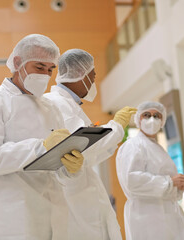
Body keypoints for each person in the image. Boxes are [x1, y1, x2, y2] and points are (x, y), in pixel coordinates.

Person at [0, 34, 119, 239]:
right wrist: (41, 147)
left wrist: (70, 167)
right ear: (17, 62)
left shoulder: (50, 107)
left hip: (53, 213)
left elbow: (56, 165)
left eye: (50, 69)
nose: (45, 75)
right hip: (10, 217)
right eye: (39, 68)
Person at [44, 48, 137, 239]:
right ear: (80, 74)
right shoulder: (59, 104)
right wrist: (116, 126)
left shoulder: (69, 105)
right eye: (92, 75)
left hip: (81, 197)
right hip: (73, 200)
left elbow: (89, 154)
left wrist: (114, 131)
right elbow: (84, 145)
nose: (94, 81)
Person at [116, 101, 184, 240]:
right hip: (147, 216)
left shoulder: (157, 148)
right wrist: (170, 182)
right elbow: (132, 181)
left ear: (162, 121)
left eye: (157, 116)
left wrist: (178, 185)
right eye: (147, 115)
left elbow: (167, 184)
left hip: (168, 214)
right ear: (138, 119)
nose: (152, 119)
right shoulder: (133, 145)